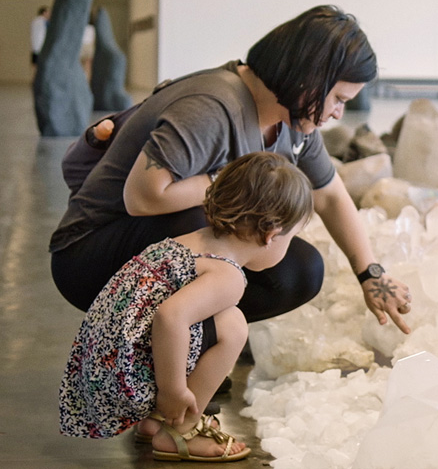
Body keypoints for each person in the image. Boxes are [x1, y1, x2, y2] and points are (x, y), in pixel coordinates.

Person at [50, 5, 412, 335]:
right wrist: (224, 181)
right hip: (90, 255)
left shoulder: (293, 121)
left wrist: (371, 275)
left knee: (299, 270)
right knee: (223, 231)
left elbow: (330, 196)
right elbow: (142, 197)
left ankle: (194, 343)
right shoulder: (211, 107)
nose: (337, 114)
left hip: (153, 246)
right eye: (338, 99)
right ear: (309, 80)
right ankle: (162, 359)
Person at [60, 152, 313, 462]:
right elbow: (170, 317)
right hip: (122, 380)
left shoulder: (193, 239)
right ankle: (182, 429)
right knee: (233, 325)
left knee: (210, 320)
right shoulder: (228, 275)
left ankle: (156, 420)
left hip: (98, 370)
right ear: (271, 235)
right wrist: (173, 390)